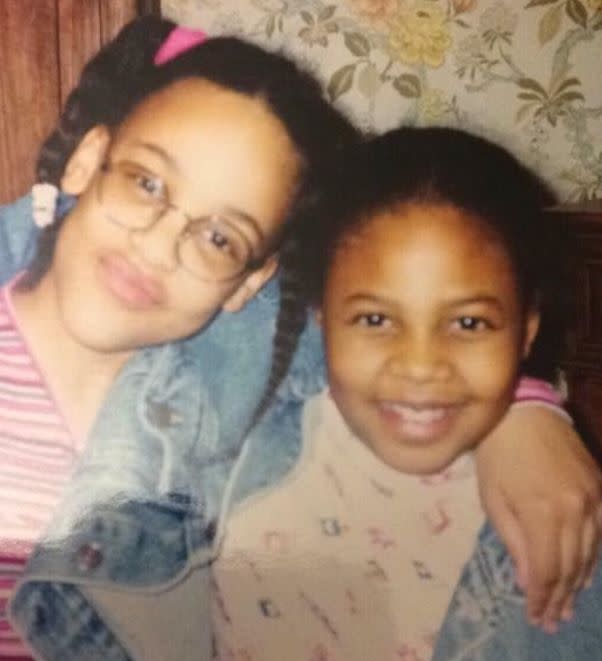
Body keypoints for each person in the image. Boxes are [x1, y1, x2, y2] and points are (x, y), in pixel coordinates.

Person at [0, 15, 599, 661]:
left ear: (248, 282)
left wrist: (524, 405)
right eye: (148, 183)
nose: (159, 242)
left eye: (219, 237)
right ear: (89, 159)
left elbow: (393, 351)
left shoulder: (236, 357)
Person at [211, 127, 602, 661]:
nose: (420, 366)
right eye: (375, 319)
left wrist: (530, 400)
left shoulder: (561, 532)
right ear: (320, 319)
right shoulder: (251, 421)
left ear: (527, 330)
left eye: (468, 323)